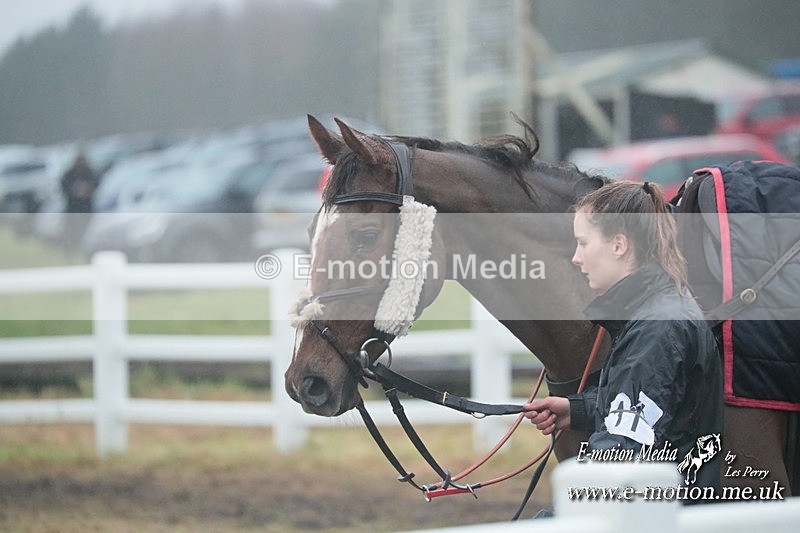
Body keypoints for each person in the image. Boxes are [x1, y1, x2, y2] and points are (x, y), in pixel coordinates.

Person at [524, 181, 723, 494]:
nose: (576, 258)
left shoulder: (655, 328)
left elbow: (621, 451)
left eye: (583, 243)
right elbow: (652, 402)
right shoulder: (659, 310)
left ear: (618, 245)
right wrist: (577, 409)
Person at [60, 152, 99, 249]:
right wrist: (74, 191)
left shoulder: (89, 173)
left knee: (83, 230)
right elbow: (63, 187)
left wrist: (87, 189)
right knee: (71, 230)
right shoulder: (70, 174)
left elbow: (96, 184)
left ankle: (80, 247)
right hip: (73, 208)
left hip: (85, 208)